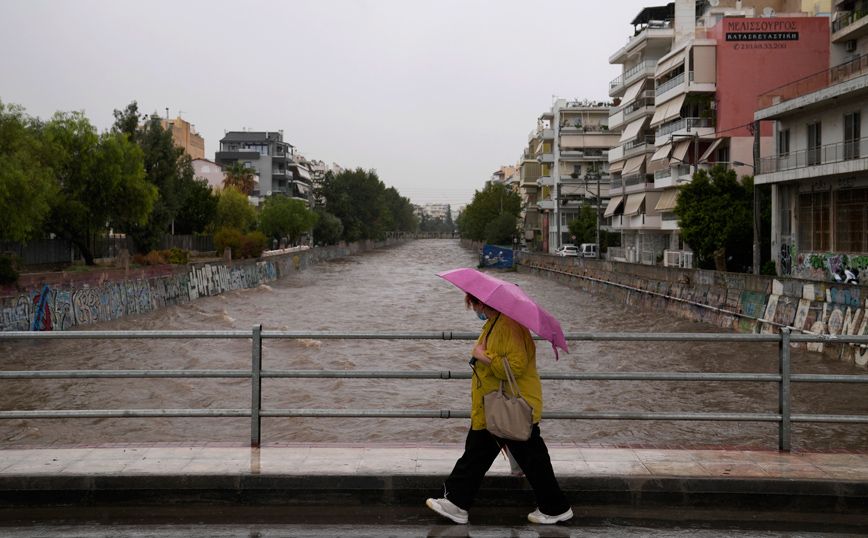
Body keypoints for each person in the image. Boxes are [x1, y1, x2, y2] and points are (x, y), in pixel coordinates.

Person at [426, 293, 573, 525]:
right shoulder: (496, 323)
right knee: (488, 454)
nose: (474, 310)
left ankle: (555, 507)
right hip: (499, 405)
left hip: (509, 406)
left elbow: (515, 366)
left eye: (473, 304)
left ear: (482, 303)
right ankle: (456, 503)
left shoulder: (507, 326)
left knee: (517, 457)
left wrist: (482, 355)